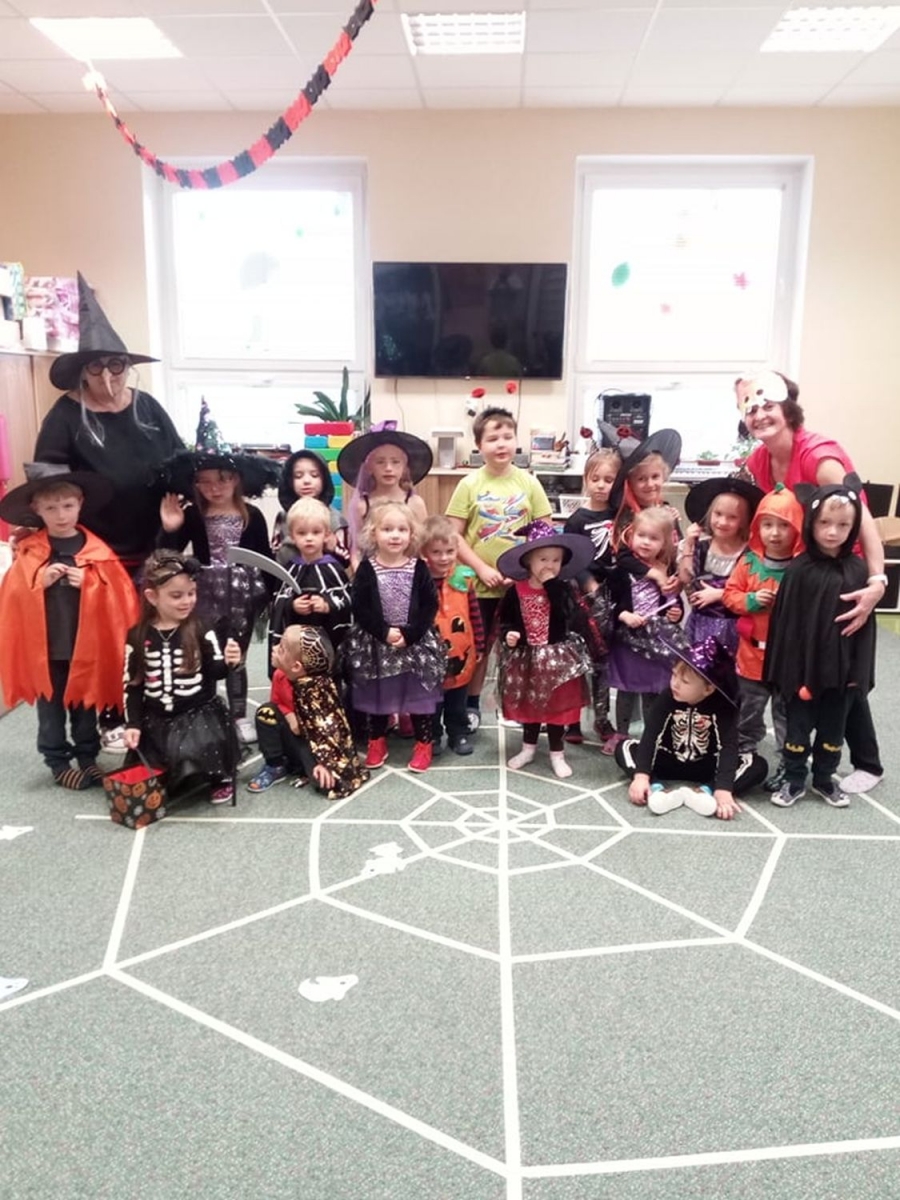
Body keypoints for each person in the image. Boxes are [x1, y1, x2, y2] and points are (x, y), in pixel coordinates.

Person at [737, 369, 885, 793]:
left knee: (845, 668)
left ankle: (869, 762)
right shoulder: (759, 460)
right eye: (750, 409)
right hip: (807, 572)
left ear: (788, 408)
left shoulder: (820, 456)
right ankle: (806, 751)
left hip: (845, 572)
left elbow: (863, 519)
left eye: (767, 405)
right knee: (808, 663)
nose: (759, 415)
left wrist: (877, 582)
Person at [32, 272, 182, 575]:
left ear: (128, 367)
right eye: (95, 366)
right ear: (82, 372)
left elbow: (180, 463)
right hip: (93, 557)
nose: (106, 376)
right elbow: (47, 488)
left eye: (115, 365)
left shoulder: (148, 407)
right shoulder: (64, 417)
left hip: (156, 548)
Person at [0, 464, 138, 790]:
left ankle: (88, 758)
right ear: (36, 509)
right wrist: (39, 582)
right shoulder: (31, 550)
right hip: (47, 650)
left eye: (67, 505)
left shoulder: (98, 551)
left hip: (84, 647)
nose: (61, 515)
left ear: (80, 504)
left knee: (85, 706)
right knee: (50, 710)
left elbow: (120, 599)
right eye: (51, 508)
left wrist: (90, 584)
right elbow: (12, 596)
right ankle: (58, 762)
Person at [763, 477, 876, 808]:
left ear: (853, 527)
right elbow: (786, 627)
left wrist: (857, 674)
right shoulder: (799, 570)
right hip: (802, 675)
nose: (832, 532)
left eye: (843, 525)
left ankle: (825, 779)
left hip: (842, 676)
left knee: (833, 732)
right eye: (824, 522)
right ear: (811, 522)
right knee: (797, 732)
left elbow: (865, 631)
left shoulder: (859, 571)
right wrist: (789, 674)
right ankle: (794, 779)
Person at [158, 447, 279, 745]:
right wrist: (171, 528)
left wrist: (273, 595)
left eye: (222, 479)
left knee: (236, 653)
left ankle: (238, 715)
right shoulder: (193, 515)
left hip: (243, 594)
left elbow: (264, 557)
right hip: (204, 594)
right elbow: (167, 556)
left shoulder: (252, 516)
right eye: (205, 481)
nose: (215, 488)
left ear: (236, 479)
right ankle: (205, 710)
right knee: (204, 651)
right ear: (195, 484)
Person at [445, 406, 552, 728]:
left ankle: (514, 705)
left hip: (522, 586)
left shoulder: (529, 483)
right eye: (493, 438)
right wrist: (482, 569)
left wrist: (522, 572)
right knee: (479, 649)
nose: (501, 444)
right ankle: (472, 705)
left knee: (520, 647)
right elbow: (453, 536)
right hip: (480, 586)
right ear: (479, 445)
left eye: (507, 436)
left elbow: (544, 533)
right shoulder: (468, 484)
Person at [122, 551, 241, 805]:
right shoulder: (137, 635)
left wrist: (231, 661)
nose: (187, 601)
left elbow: (217, 672)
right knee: (154, 772)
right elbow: (133, 686)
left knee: (196, 752)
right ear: (152, 597)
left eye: (191, 593)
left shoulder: (202, 628)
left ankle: (218, 777)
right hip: (155, 717)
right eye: (176, 596)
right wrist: (133, 724)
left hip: (197, 715)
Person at [615, 637, 768, 820]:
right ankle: (656, 789)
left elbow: (728, 746)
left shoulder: (724, 705)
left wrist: (723, 788)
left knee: (757, 765)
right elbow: (650, 736)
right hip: (668, 760)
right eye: (674, 675)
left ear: (708, 689)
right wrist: (641, 776)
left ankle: (706, 791)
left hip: (708, 766)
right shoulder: (667, 697)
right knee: (625, 747)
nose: (675, 684)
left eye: (685, 681)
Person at [344, 501, 446, 773]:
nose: (395, 535)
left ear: (411, 535)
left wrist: (410, 634)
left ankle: (423, 744)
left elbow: (429, 605)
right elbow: (360, 606)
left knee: (418, 696)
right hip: (377, 644)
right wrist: (383, 631)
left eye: (402, 529)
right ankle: (377, 741)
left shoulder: (418, 567)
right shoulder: (367, 568)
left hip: (414, 643)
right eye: (387, 529)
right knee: (379, 695)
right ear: (373, 533)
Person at [496, 521, 597, 778]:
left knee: (556, 708)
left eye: (556, 560)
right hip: (526, 659)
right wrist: (509, 634)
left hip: (556, 660)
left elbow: (567, 613)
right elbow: (505, 620)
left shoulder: (563, 589)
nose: (549, 566)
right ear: (528, 561)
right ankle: (528, 748)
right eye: (543, 559)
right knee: (530, 706)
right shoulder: (515, 591)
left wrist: (552, 585)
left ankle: (557, 753)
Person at [722, 483, 805, 791]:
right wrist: (752, 600)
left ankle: (788, 762)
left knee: (786, 713)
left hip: (787, 660)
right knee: (749, 709)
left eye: (784, 525)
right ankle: (744, 753)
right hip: (752, 656)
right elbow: (730, 595)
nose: (775, 533)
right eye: (767, 524)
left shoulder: (802, 568)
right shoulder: (748, 563)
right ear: (757, 527)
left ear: (797, 528)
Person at [248, 626, 368, 801]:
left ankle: (303, 766)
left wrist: (325, 763)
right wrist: (289, 715)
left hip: (314, 745)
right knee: (265, 713)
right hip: (297, 733)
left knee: (327, 784)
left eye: (281, 649)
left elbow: (330, 731)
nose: (273, 648)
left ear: (297, 666)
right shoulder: (280, 676)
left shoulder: (316, 693)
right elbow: (276, 702)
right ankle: (275, 765)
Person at [607, 505, 687, 744]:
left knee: (652, 689)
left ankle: (651, 735)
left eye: (654, 538)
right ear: (631, 536)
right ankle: (621, 733)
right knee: (626, 689)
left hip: (655, 640)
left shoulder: (667, 570)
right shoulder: (622, 570)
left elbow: (674, 602)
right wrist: (624, 615)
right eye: (641, 535)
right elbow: (609, 602)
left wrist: (675, 613)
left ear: (665, 543)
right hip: (627, 638)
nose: (646, 542)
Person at [563, 446, 621, 749]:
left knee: (603, 661)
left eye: (609, 480)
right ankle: (572, 720)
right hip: (582, 600)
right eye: (595, 478)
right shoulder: (577, 519)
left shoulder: (621, 515)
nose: (601, 485)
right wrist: (588, 583)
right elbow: (570, 559)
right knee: (577, 658)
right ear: (586, 479)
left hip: (613, 595)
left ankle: (602, 718)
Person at [420, 515, 486, 757]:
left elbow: (475, 614)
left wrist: (480, 644)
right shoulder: (419, 580)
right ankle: (434, 735)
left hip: (461, 651)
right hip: (430, 654)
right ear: (424, 552)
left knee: (457, 699)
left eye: (449, 551)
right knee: (432, 700)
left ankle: (458, 733)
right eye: (436, 552)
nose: (444, 558)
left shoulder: (464, 578)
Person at [678, 477, 763, 655]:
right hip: (699, 626)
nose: (723, 522)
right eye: (718, 514)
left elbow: (754, 594)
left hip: (733, 630)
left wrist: (720, 594)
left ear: (744, 521)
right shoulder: (701, 547)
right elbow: (685, 578)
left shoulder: (750, 554)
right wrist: (689, 545)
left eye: (732, 517)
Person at [267, 497, 353, 668]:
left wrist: (328, 605)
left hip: (328, 644)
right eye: (302, 533)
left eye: (316, 532)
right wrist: (292, 605)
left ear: (326, 534)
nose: (309, 538)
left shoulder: (334, 569)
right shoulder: (289, 569)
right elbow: (276, 603)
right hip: (295, 651)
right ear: (292, 536)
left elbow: (348, 600)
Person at [337, 425, 432, 569]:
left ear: (405, 467)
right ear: (369, 467)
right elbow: (356, 550)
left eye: (395, 462)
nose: (388, 468)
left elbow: (424, 547)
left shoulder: (414, 503)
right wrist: (362, 575)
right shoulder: (362, 505)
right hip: (372, 573)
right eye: (380, 462)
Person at [271, 448, 350, 568]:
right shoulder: (283, 517)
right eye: (298, 476)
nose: (307, 481)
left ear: (324, 479)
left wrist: (332, 546)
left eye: (314, 475)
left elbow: (345, 560)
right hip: (288, 576)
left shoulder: (335, 519)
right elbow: (274, 556)